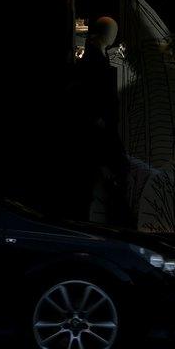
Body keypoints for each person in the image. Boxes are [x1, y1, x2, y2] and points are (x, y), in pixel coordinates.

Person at [67, 16, 133, 226]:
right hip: (99, 133)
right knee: (104, 180)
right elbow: (91, 94)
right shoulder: (94, 59)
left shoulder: (95, 56)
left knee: (97, 183)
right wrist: (99, 120)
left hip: (99, 131)